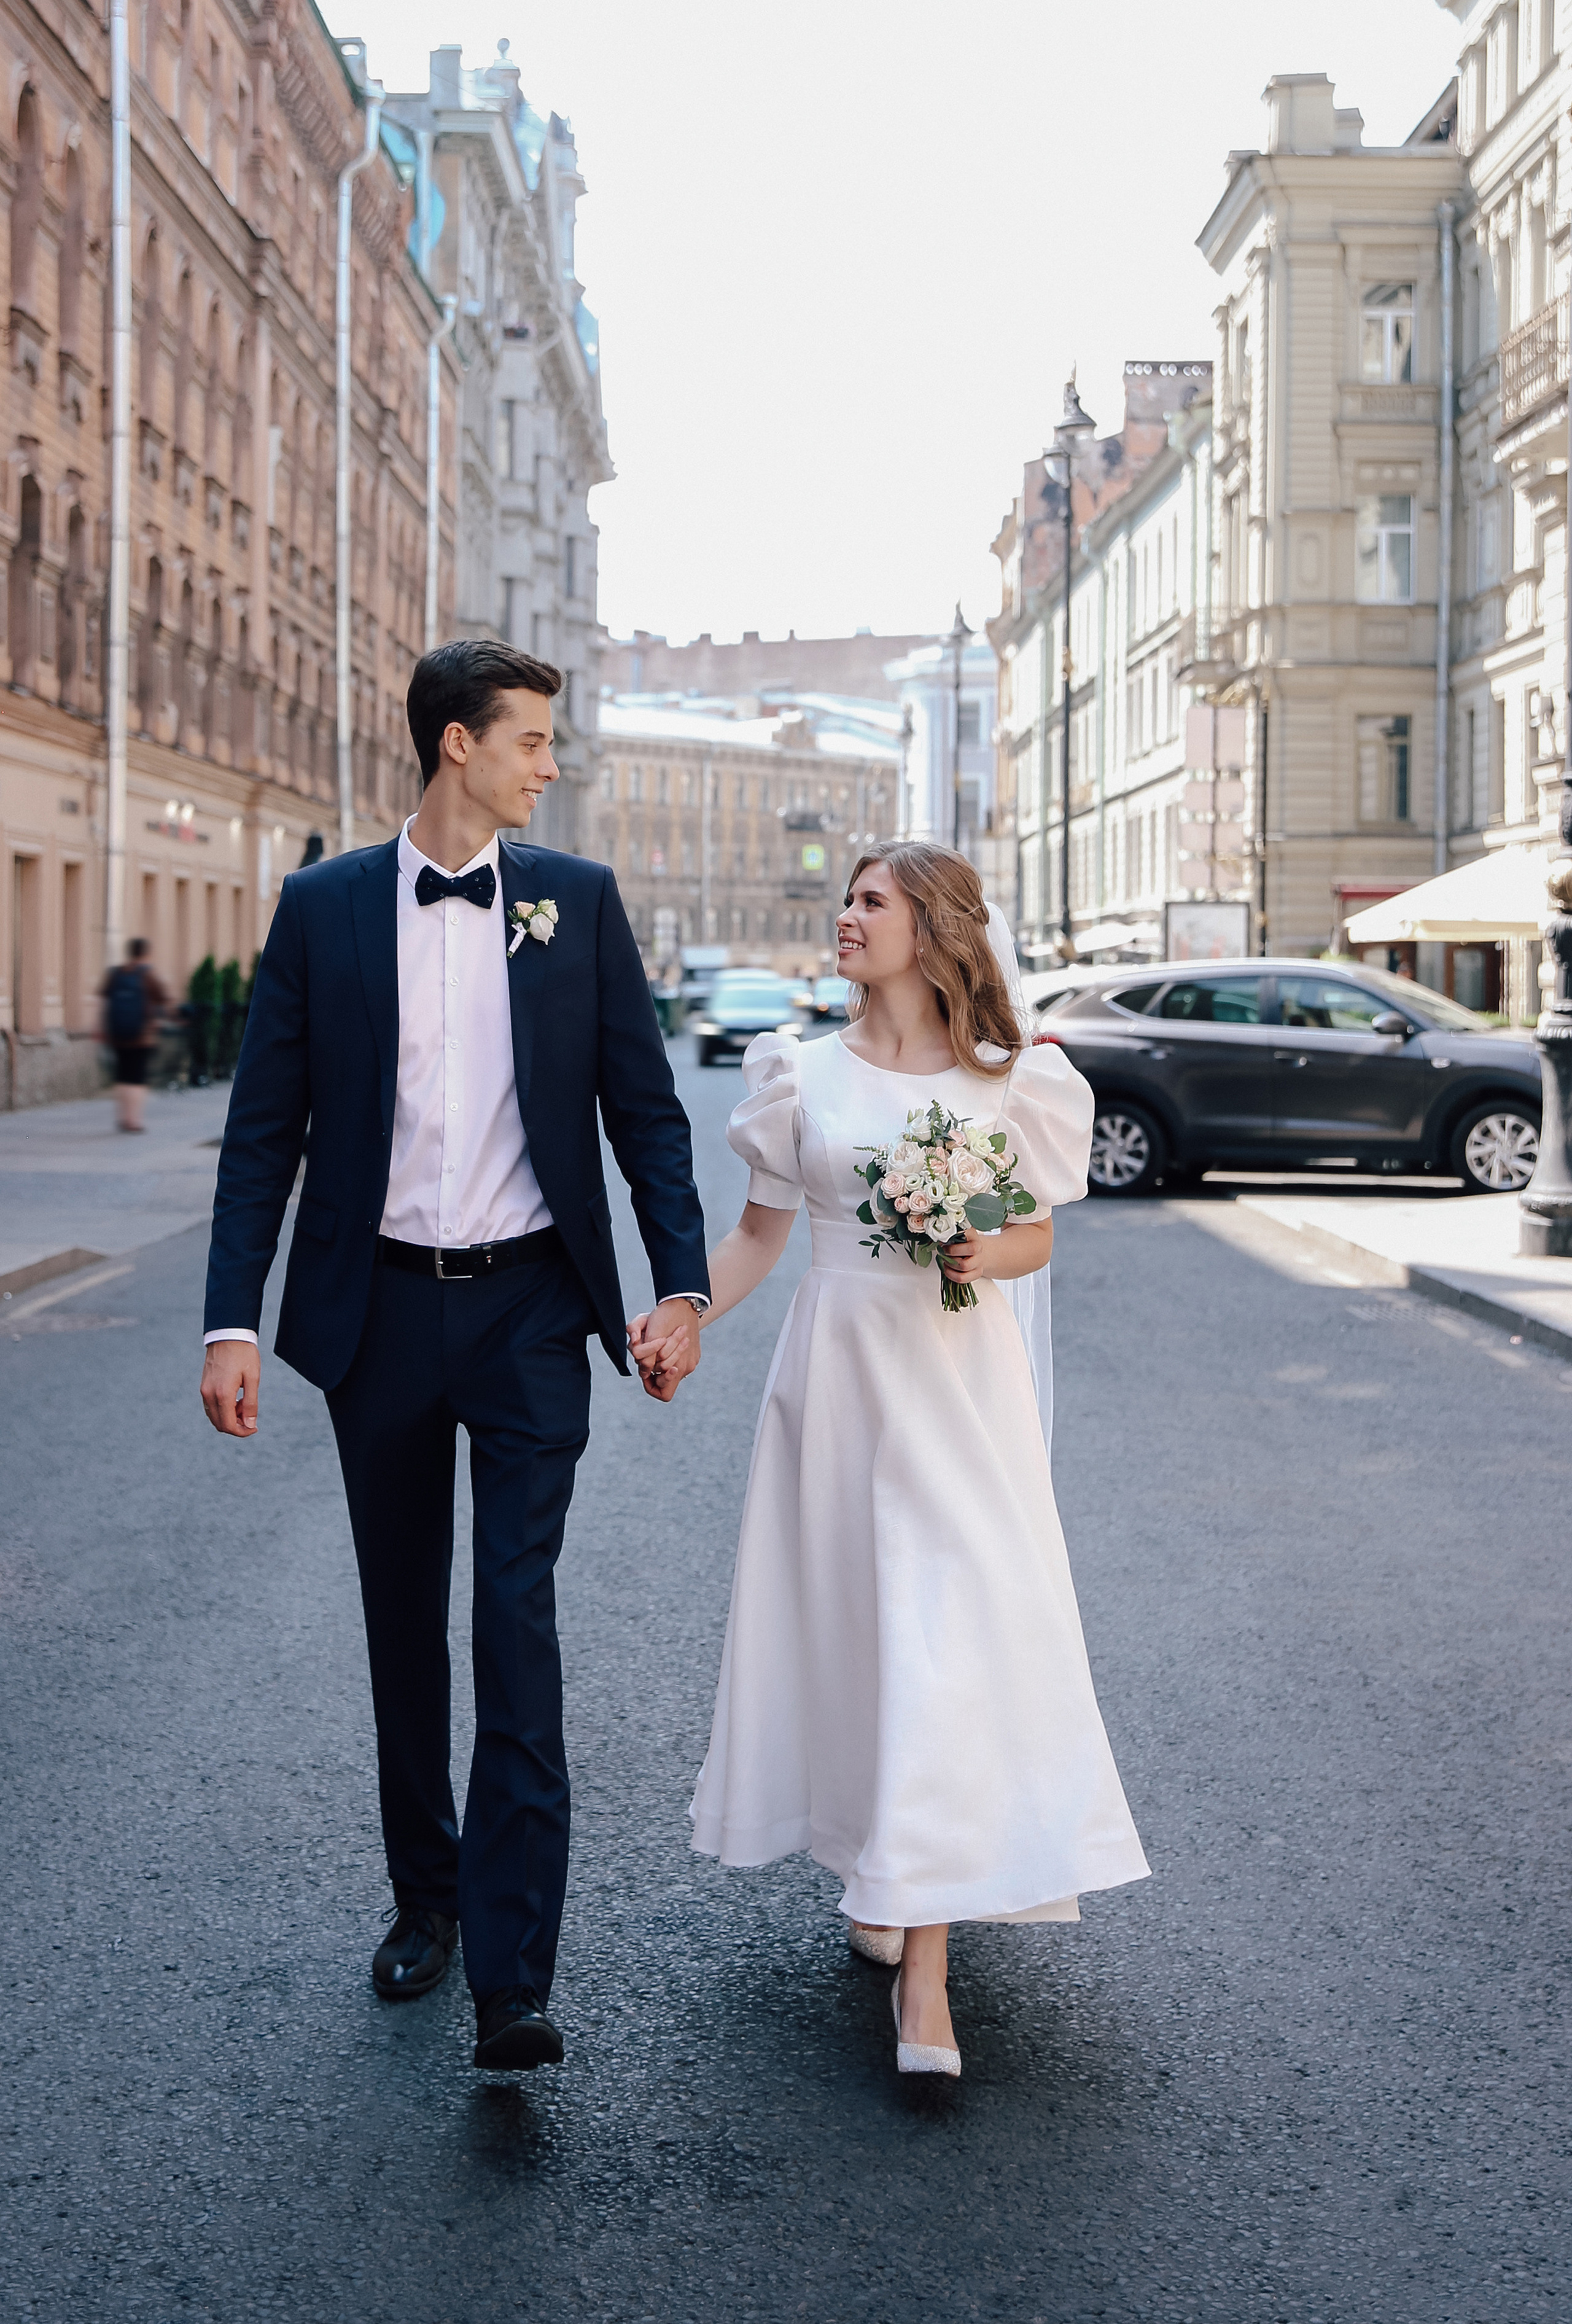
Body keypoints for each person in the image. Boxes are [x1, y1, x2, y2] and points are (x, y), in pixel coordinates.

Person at [199, 639, 709, 2073]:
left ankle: (512, 1975)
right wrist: (231, 1317)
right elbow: (263, 1131)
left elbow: (644, 1114)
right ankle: (424, 1897)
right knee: (403, 1620)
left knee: (514, 1617)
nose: (551, 761)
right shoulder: (323, 907)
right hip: (376, 1313)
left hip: (531, 1308)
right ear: (455, 745)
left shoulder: (574, 900)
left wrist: (678, 1284)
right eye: (530, 738)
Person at [634, 841, 1148, 2078]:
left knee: (942, 1634)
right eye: (848, 897)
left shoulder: (1007, 1079)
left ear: (932, 927)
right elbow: (759, 1235)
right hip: (838, 1384)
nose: (847, 915)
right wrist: (687, 1312)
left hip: (961, 1391)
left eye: (872, 900)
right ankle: (889, 1862)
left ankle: (927, 1974)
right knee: (867, 1635)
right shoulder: (798, 1072)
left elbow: (1033, 1235)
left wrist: (981, 1250)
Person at [99, 937, 169, 1132]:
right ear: (145, 954)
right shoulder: (148, 975)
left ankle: (123, 1117)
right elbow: (163, 999)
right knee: (137, 1078)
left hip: (118, 1034)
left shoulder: (116, 974)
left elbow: (104, 1001)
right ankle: (134, 1120)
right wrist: (158, 1020)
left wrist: (101, 1028)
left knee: (122, 1077)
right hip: (141, 1037)